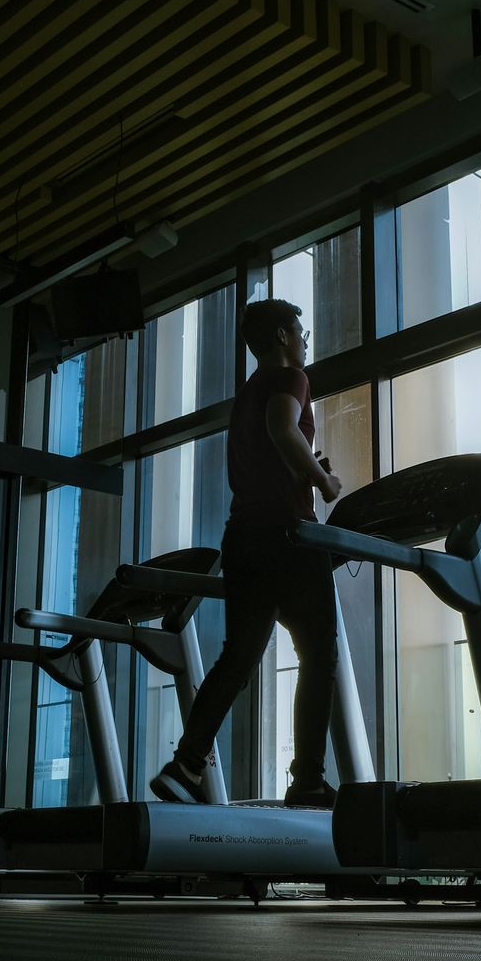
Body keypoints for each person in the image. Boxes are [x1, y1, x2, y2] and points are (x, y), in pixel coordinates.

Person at [150, 299, 346, 809]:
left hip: (243, 537)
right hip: (289, 535)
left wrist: (301, 468)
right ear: (281, 337)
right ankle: (307, 780)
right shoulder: (290, 380)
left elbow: (268, 448)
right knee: (319, 654)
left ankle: (186, 763)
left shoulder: (246, 395)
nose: (305, 341)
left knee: (237, 658)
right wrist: (324, 481)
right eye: (299, 332)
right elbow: (284, 431)